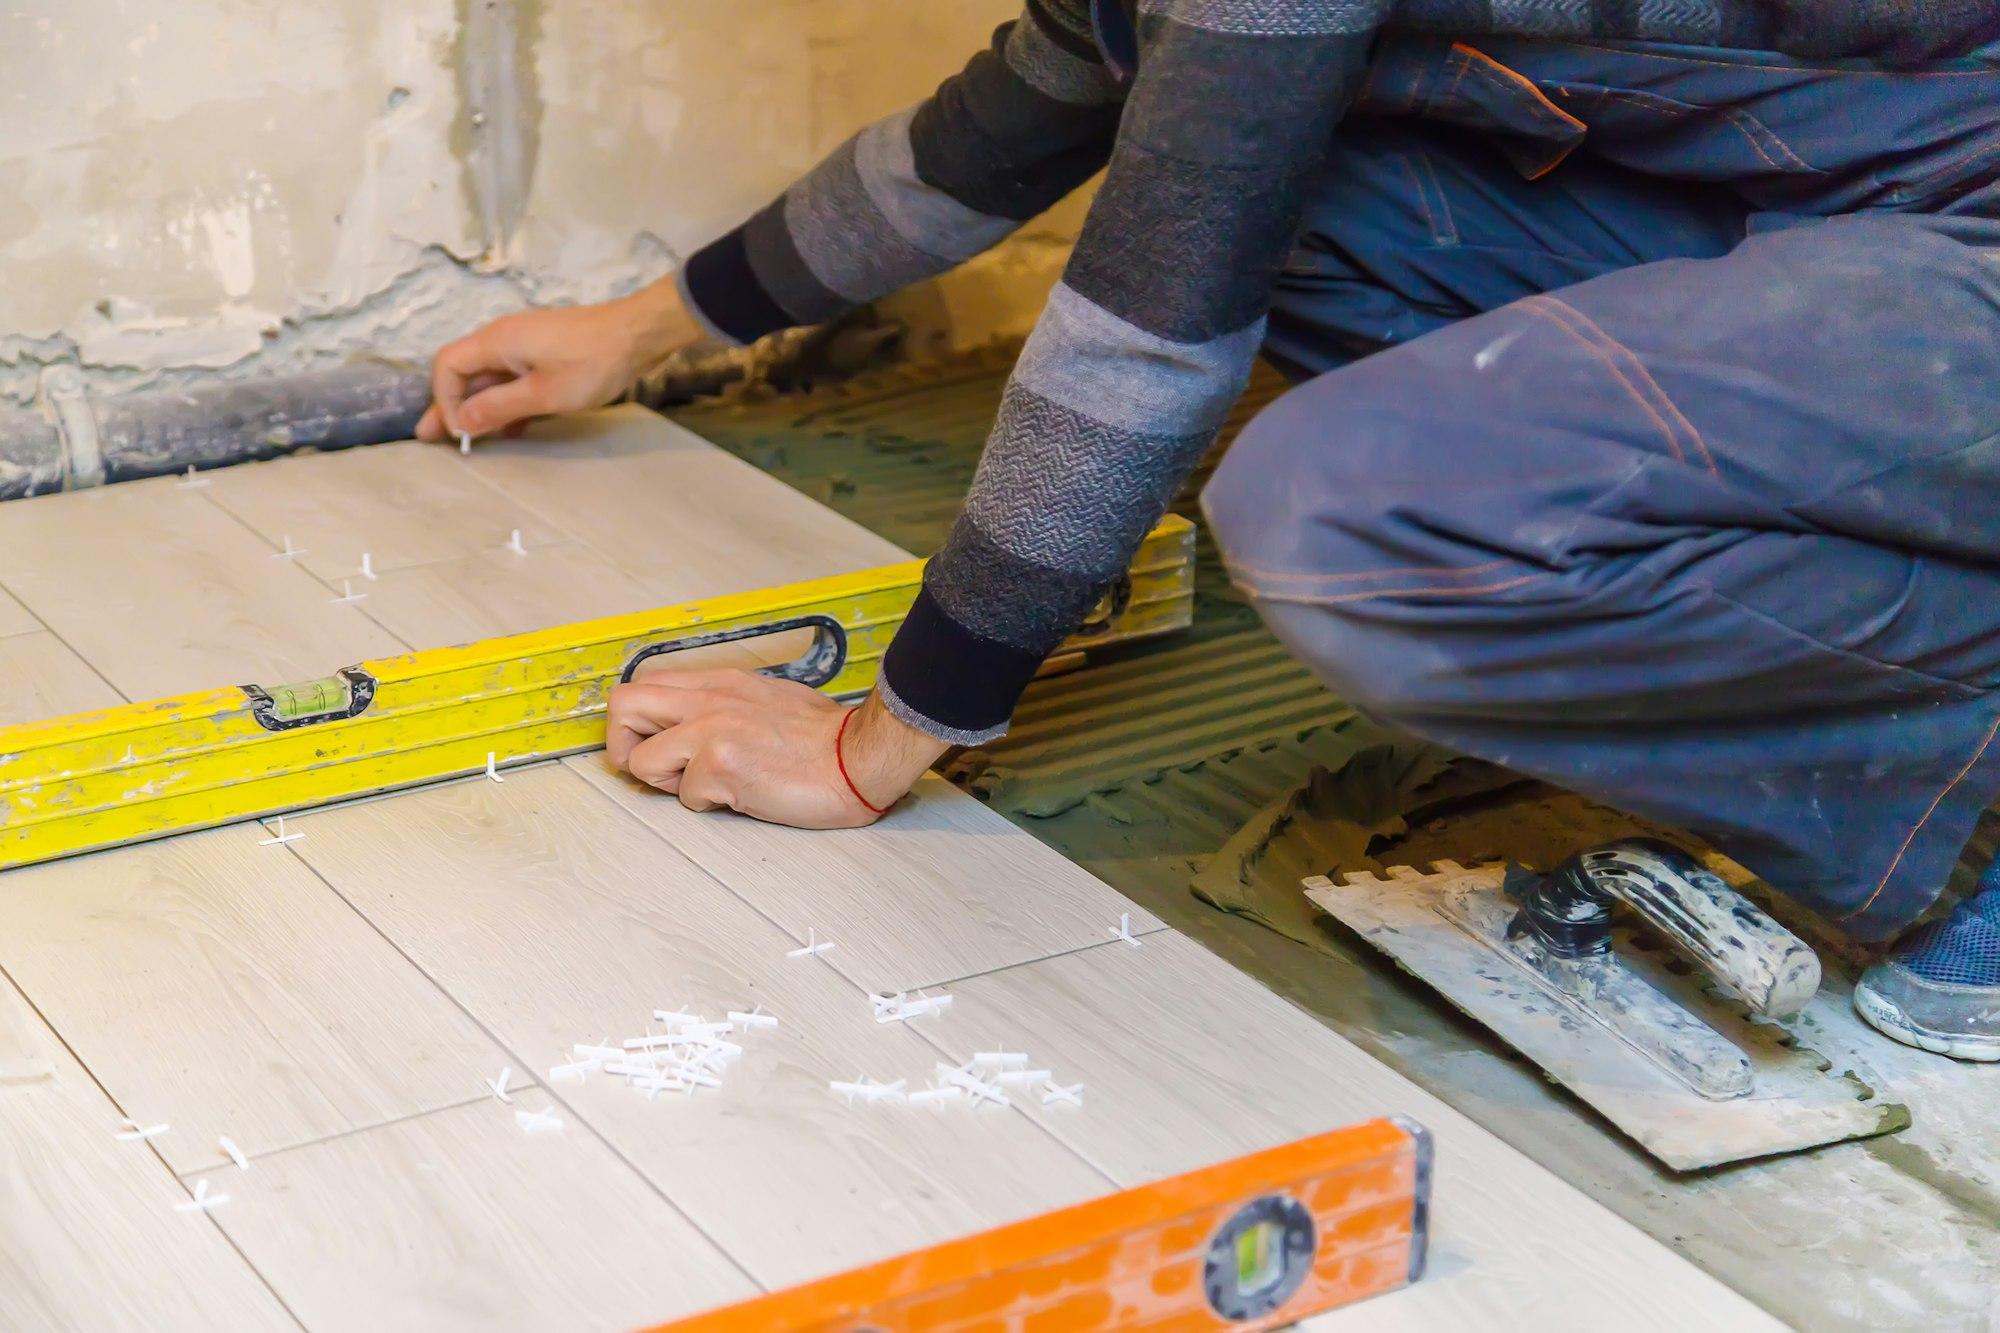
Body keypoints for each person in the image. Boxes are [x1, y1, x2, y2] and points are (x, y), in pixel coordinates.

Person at [420, 2, 2000, 1059]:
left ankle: (1969, 826)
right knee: (1294, 196)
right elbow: (1009, 128)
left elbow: (1143, 330)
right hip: (1837, 193)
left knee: (1355, 515)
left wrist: (878, 742)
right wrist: (647, 323)